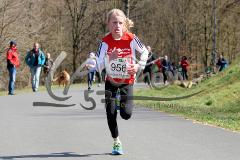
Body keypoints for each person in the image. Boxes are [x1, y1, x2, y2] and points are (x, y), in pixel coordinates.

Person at [96, 9, 149, 155]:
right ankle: (116, 141)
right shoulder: (105, 42)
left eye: (120, 23)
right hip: (111, 81)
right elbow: (98, 65)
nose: (117, 26)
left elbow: (145, 52)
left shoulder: (131, 38)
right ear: (108, 24)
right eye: (114, 23)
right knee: (110, 112)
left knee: (126, 114)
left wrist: (139, 65)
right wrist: (110, 58)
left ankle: (121, 102)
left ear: (124, 24)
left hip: (127, 81)